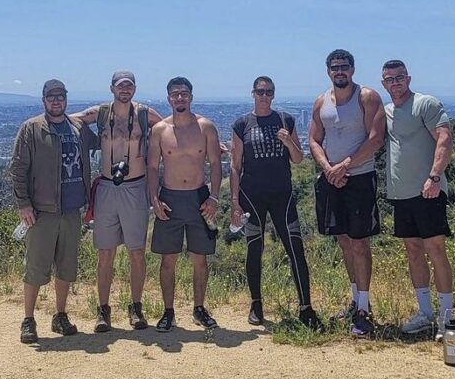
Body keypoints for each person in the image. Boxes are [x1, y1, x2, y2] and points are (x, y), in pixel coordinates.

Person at [69, 70, 163, 333]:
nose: (125, 90)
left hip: (135, 186)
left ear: (134, 88)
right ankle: (103, 310)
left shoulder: (144, 114)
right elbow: (71, 119)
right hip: (108, 187)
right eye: (120, 86)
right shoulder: (100, 114)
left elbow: (170, 129)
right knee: (106, 252)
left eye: (129, 86)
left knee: (136, 252)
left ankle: (136, 307)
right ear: (111, 88)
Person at [230, 76, 322, 331]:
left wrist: (288, 141)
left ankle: (306, 307)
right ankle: (256, 304)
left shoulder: (285, 120)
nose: (264, 96)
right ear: (253, 93)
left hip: (283, 194)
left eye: (269, 92)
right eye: (260, 91)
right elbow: (236, 166)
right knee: (254, 249)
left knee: (295, 249)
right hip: (252, 196)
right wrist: (234, 202)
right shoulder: (241, 124)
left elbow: (298, 159)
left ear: (273, 94)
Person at [10, 79, 95, 345]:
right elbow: (18, 168)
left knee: (67, 268)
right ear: (43, 100)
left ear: (66, 99)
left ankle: (60, 315)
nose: (56, 101)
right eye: (51, 97)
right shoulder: (32, 129)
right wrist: (23, 204)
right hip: (42, 210)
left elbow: (106, 138)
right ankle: (28, 319)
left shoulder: (77, 127)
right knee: (35, 268)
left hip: (71, 209)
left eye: (60, 96)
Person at [308, 49, 385, 338]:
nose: (339, 71)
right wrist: (329, 168)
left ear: (352, 69)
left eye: (344, 66)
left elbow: (376, 138)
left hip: (360, 177)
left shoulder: (367, 97)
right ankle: (355, 300)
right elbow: (314, 139)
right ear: (328, 71)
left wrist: (345, 166)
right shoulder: (321, 101)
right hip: (332, 179)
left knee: (360, 242)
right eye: (334, 67)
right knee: (343, 240)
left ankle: (364, 309)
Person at [381, 60, 455, 339]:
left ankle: (448, 318)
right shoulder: (387, 111)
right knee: (413, 250)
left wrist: (435, 176)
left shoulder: (426, 104)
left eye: (399, 78)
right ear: (383, 84)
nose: (395, 83)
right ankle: (425, 313)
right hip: (401, 193)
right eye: (389, 79)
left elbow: (445, 139)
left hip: (429, 190)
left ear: (408, 78)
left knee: (435, 250)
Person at [147, 77, 223, 332]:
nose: (180, 98)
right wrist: (154, 199)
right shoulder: (160, 130)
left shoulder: (206, 127)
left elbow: (214, 164)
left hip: (198, 198)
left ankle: (199, 309)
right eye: (175, 94)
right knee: (168, 260)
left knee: (199, 259)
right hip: (169, 198)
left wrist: (213, 197)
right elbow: (151, 166)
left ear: (191, 96)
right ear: (168, 98)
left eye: (184, 94)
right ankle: (168, 311)